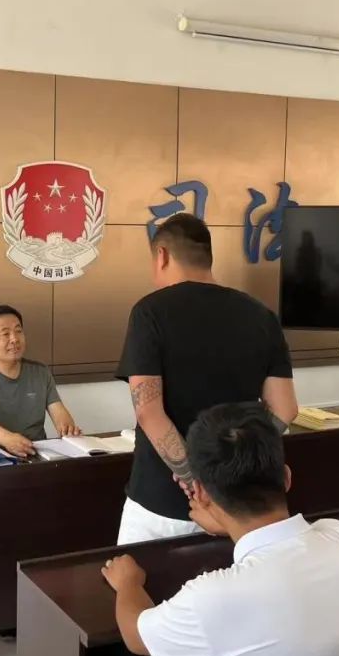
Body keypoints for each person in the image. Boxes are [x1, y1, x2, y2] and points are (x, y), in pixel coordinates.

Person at [101, 403, 339, 656]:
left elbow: (137, 637)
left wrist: (128, 584)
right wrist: (228, 524)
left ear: (200, 493)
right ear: (286, 477)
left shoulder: (215, 596)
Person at [115, 213, 299, 544]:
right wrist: (229, 470)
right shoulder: (261, 315)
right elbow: (285, 409)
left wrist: (194, 478)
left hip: (161, 504)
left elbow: (148, 411)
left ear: (162, 256)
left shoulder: (150, 312)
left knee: (140, 578)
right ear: (207, 257)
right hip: (236, 507)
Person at [0, 304, 80, 458]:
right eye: (5, 334)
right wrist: (8, 440)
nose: (14, 339)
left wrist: (68, 430)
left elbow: (59, 412)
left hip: (34, 454)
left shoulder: (40, 372)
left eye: (18, 331)